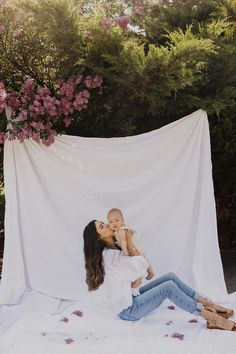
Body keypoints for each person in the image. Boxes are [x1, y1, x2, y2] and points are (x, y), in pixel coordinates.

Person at [83, 220, 236, 331]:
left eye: (103, 222)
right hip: (128, 310)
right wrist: (128, 242)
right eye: (102, 226)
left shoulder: (115, 247)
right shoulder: (109, 256)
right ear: (98, 237)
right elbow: (140, 266)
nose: (108, 225)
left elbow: (138, 268)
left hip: (131, 297)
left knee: (170, 277)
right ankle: (211, 317)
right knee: (168, 287)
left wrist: (127, 242)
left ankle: (210, 304)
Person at [107, 208, 154, 296]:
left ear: (122, 220)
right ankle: (150, 273)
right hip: (138, 249)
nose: (114, 223)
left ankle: (136, 284)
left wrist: (124, 250)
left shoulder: (120, 230)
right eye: (111, 222)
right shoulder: (123, 229)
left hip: (133, 250)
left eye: (117, 220)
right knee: (145, 262)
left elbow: (123, 240)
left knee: (138, 269)